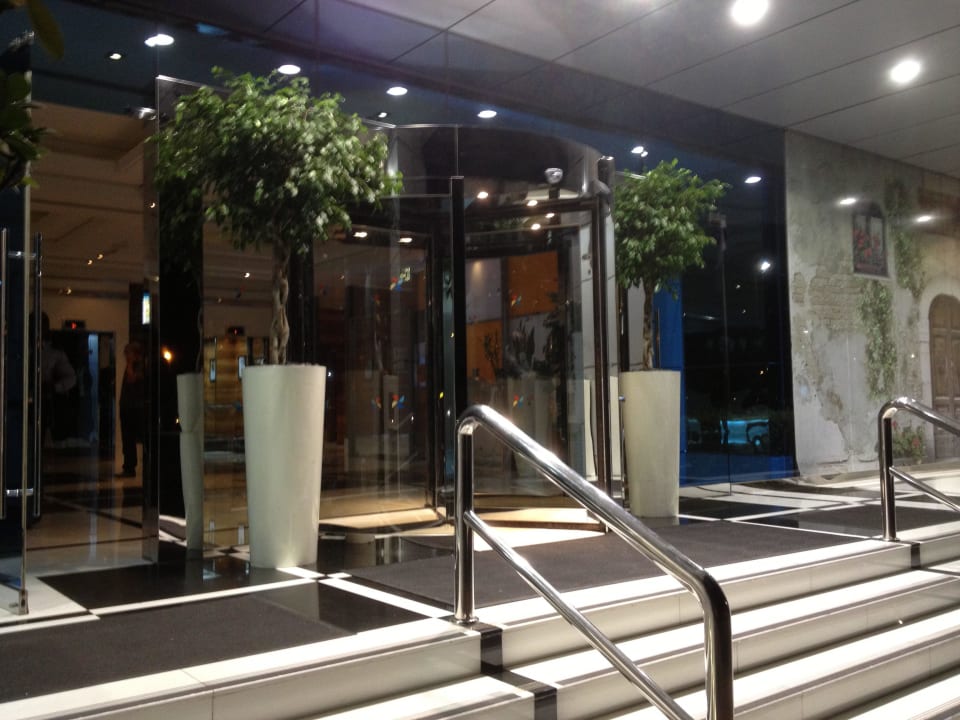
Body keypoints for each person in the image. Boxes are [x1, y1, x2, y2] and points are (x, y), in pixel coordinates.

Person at [118, 340, 146, 477]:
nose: (126, 356)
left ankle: (130, 467)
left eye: (128, 353)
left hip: (133, 408)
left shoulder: (139, 366)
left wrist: (130, 363)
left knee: (130, 437)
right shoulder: (133, 366)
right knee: (126, 438)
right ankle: (128, 465)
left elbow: (132, 379)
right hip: (127, 406)